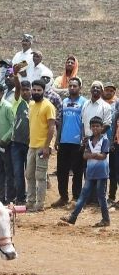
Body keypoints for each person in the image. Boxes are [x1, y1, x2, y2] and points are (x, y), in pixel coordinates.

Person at [61, 117, 110, 227]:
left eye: (97, 126)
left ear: (102, 127)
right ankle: (73, 217)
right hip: (91, 172)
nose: (95, 128)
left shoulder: (104, 140)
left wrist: (92, 155)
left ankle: (106, 219)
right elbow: (85, 155)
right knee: (83, 195)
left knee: (101, 196)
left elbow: (103, 156)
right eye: (93, 126)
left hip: (101, 173)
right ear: (90, 127)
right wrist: (95, 155)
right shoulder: (88, 140)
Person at [52, 77, 87, 207]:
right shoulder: (64, 101)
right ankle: (63, 197)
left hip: (77, 142)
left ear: (80, 88)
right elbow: (60, 122)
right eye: (70, 86)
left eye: (75, 86)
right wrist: (57, 139)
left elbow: (84, 122)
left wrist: (83, 139)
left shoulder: (84, 102)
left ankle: (76, 197)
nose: (72, 88)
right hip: (64, 141)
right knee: (62, 171)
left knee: (77, 171)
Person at [25, 80, 57, 212]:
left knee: (40, 176)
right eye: (34, 90)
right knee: (29, 174)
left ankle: (40, 203)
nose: (36, 92)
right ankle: (30, 201)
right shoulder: (31, 104)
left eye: (39, 90)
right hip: (32, 146)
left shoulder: (48, 106)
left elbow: (51, 127)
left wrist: (47, 146)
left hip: (42, 147)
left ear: (43, 91)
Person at [0, 81, 16, 203]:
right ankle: (2, 196)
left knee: (8, 172)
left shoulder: (7, 106)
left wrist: (4, 139)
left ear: (2, 93)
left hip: (7, 145)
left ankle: (10, 197)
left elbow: (13, 126)